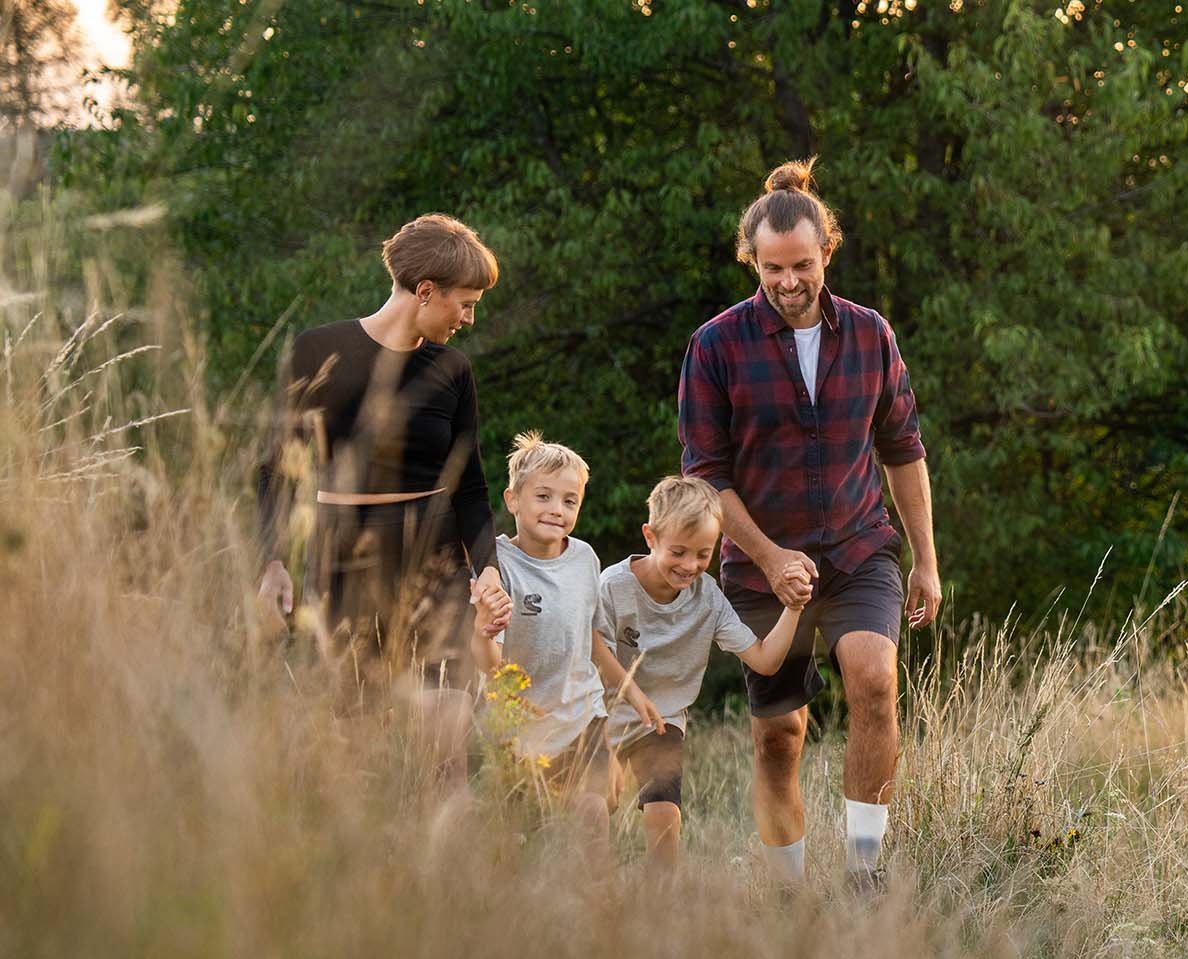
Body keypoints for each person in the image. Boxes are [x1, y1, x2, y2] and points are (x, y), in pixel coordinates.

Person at [678, 158, 943, 892]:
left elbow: (903, 449)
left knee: (875, 682)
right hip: (759, 564)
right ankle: (786, 893)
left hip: (859, 548)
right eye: (772, 269)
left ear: (827, 251)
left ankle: (863, 873)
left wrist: (925, 560)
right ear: (751, 261)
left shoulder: (870, 334)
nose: (788, 282)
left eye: (802, 265)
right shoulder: (716, 346)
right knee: (779, 735)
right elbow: (706, 475)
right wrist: (769, 558)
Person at [256, 214, 514, 730]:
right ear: (426, 291)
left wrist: (487, 566)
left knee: (446, 721)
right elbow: (276, 468)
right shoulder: (316, 351)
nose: (468, 320)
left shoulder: (453, 370)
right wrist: (271, 561)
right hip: (344, 561)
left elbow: (469, 486)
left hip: (434, 561)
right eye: (466, 304)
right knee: (355, 730)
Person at [597, 475, 811, 869]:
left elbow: (764, 660)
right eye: (678, 552)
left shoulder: (707, 598)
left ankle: (663, 895)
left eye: (703, 554)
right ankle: (588, 890)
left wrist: (794, 608)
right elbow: (593, 653)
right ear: (650, 537)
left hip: (662, 723)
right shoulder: (613, 586)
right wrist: (623, 709)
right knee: (596, 808)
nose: (689, 566)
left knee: (665, 817)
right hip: (602, 714)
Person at [470, 433, 660, 837]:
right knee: (516, 832)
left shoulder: (585, 558)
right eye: (543, 497)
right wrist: (483, 633)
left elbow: (589, 637)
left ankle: (597, 880)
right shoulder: (498, 566)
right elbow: (489, 665)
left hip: (579, 717)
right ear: (512, 500)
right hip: (517, 726)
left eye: (570, 501)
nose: (557, 509)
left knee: (594, 810)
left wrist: (630, 690)